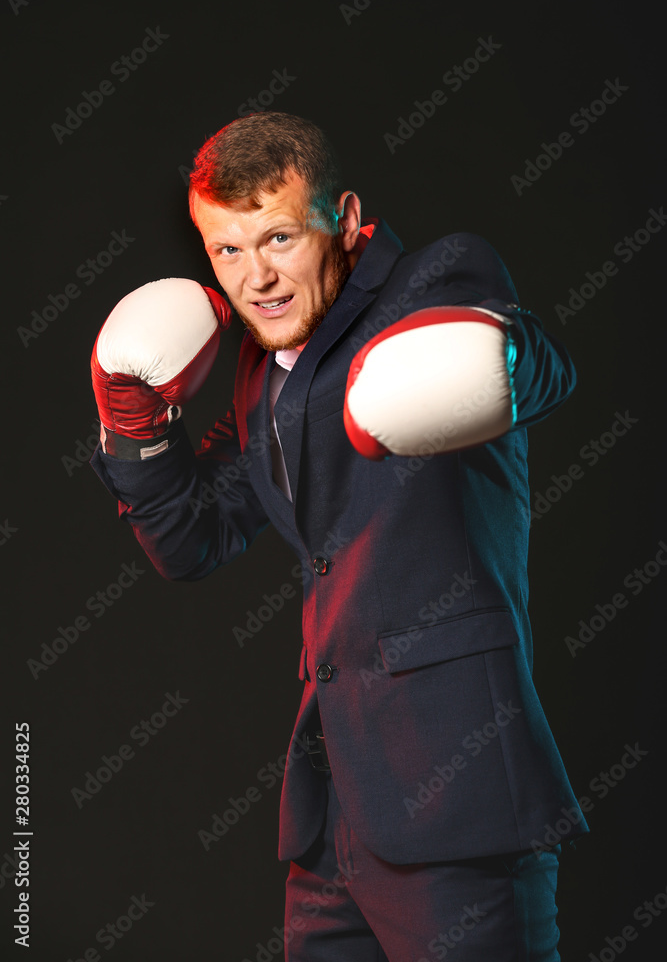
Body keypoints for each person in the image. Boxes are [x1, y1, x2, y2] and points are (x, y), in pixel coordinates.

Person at [90, 111, 588, 960]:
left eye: (278, 237)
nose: (256, 278)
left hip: (456, 798)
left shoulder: (434, 280)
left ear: (346, 220)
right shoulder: (261, 371)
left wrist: (492, 359)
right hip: (331, 819)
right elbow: (193, 539)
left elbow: (540, 365)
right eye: (227, 251)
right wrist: (130, 423)